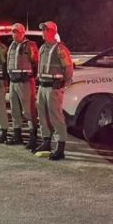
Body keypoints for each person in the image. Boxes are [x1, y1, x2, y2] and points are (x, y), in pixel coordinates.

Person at [35, 21, 74, 160]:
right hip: (43, 87)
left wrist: (63, 84)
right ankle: (46, 142)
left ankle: (60, 147)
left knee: (56, 117)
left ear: (52, 31)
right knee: (43, 116)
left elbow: (68, 69)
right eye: (42, 29)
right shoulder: (42, 48)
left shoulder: (60, 49)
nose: (43, 32)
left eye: (45, 29)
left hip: (53, 87)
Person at [6, 23, 40, 149]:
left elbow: (35, 63)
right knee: (15, 111)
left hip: (25, 82)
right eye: (13, 32)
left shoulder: (30, 45)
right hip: (13, 82)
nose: (14, 34)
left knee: (28, 111)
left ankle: (33, 138)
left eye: (16, 32)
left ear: (22, 33)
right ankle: (17, 136)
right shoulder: (12, 45)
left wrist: (31, 77)